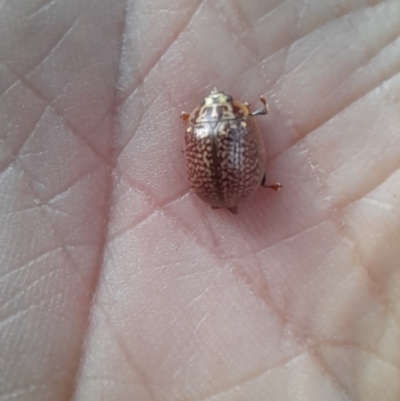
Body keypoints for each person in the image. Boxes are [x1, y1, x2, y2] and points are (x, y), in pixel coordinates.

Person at [1, 0, 399, 399]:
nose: (218, 97)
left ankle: (256, 186)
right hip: (230, 184)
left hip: (214, 188)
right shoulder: (240, 121)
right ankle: (259, 186)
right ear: (232, 111)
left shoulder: (200, 127)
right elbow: (252, 137)